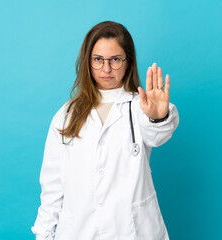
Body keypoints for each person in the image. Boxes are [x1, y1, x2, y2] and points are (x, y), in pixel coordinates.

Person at [31, 21, 179, 240]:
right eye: (98, 60)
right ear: (88, 62)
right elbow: (53, 187)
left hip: (132, 231)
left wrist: (158, 117)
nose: (106, 69)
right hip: (79, 231)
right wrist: (43, 235)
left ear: (128, 62)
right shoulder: (66, 115)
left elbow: (158, 135)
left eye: (115, 60)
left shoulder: (141, 107)